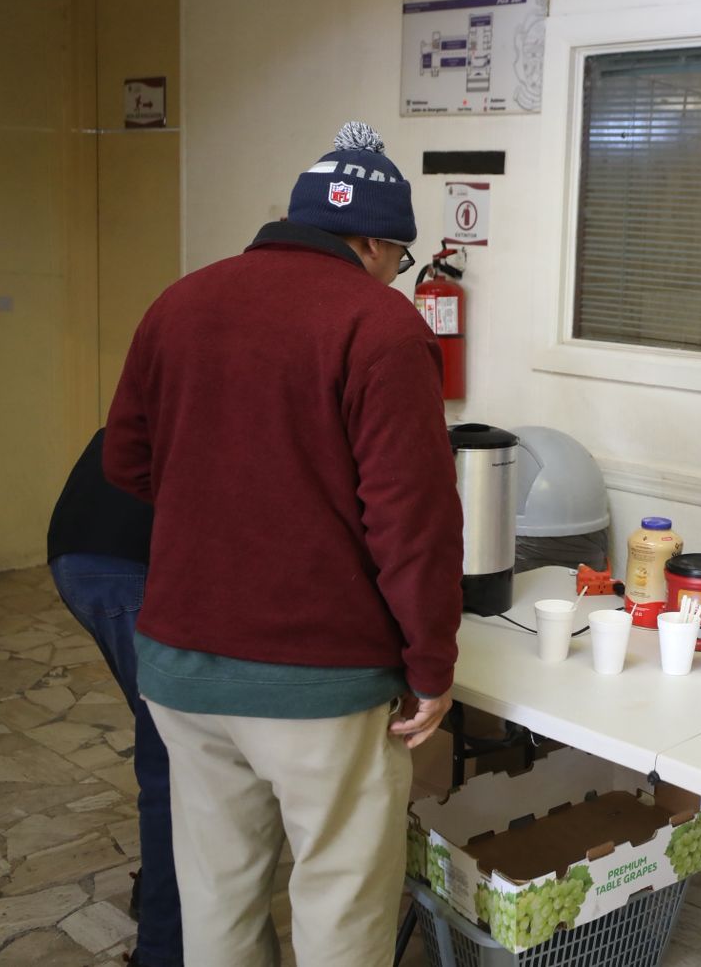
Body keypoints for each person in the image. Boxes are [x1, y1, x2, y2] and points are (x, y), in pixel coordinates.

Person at [103, 121, 465, 967]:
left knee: (218, 895)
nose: (396, 274)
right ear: (374, 244)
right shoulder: (380, 325)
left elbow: (127, 460)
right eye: (399, 258)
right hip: (319, 681)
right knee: (339, 899)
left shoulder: (179, 303)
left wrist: (224, 513)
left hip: (182, 670)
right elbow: (412, 520)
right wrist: (431, 665)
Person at [47, 429, 181, 967]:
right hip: (127, 561)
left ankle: (158, 888)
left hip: (75, 550)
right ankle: (163, 949)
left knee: (170, 740)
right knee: (173, 760)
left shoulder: (177, 390)